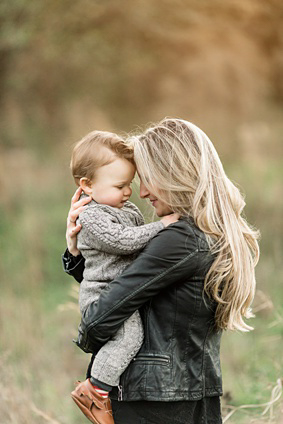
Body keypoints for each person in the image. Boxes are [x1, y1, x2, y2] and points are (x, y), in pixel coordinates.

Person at [63, 118, 260, 424]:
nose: (140, 193)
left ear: (172, 175)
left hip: (155, 403)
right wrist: (77, 251)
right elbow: (133, 283)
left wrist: (89, 337)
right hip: (193, 393)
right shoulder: (207, 232)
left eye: (147, 178)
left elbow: (100, 317)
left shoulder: (179, 240)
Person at [67, 130, 179, 424]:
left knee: (131, 338)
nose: (129, 192)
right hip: (103, 293)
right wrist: (163, 226)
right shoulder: (91, 215)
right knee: (129, 338)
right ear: (87, 185)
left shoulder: (124, 208)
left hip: (121, 288)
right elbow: (123, 241)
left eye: (130, 183)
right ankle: (95, 390)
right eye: (120, 185)